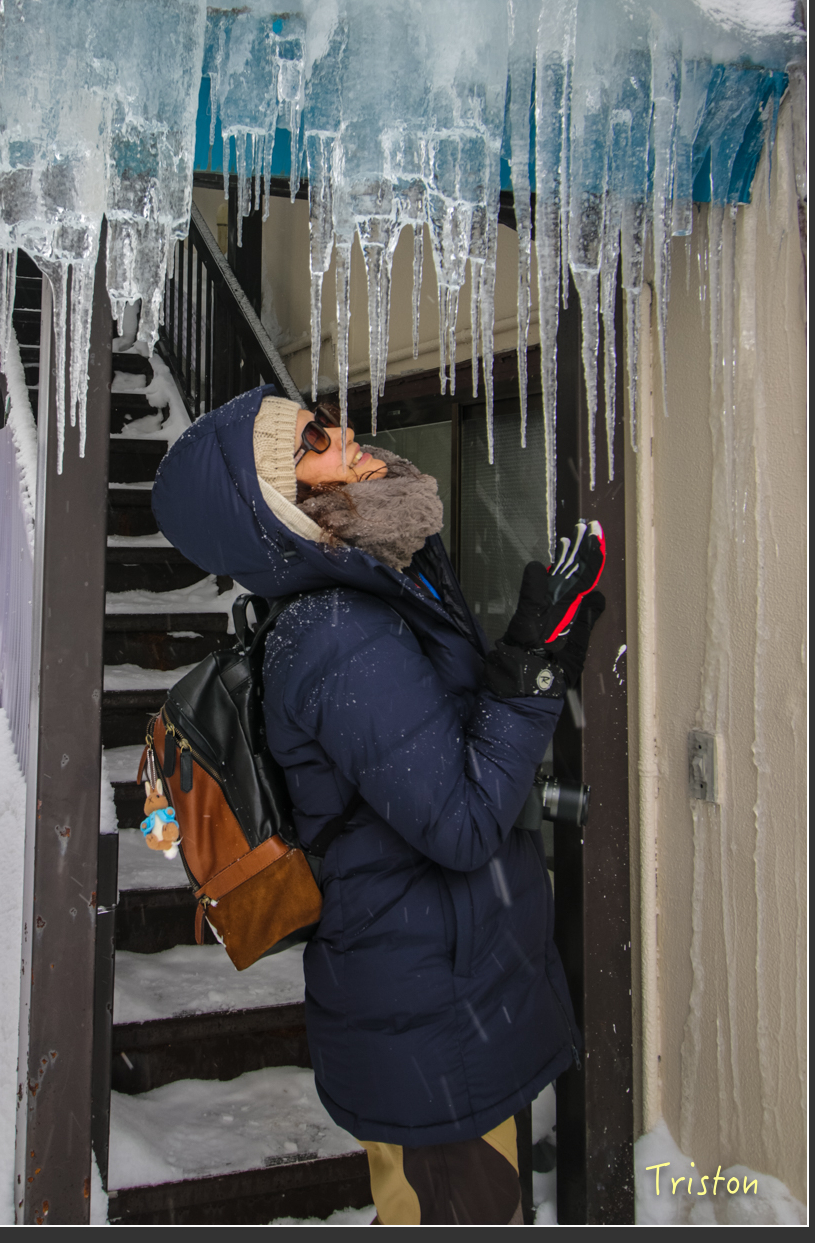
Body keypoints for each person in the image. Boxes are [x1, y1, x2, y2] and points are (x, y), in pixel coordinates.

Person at [151, 387, 605, 1226]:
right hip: (427, 1015)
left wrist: (523, 659)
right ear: (274, 507)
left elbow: (438, 756)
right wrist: (533, 671)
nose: (345, 436)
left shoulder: (377, 590)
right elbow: (464, 823)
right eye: (311, 442)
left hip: (437, 993)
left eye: (324, 417)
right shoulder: (336, 631)